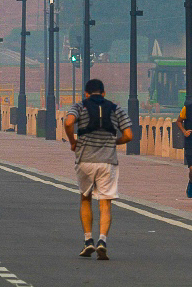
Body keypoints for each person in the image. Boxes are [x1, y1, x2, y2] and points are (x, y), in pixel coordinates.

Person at [63, 78, 133, 261]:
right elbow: (129, 135)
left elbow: (68, 123)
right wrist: (114, 142)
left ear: (86, 93)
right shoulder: (116, 108)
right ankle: (102, 240)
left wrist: (73, 142)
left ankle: (88, 241)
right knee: (105, 202)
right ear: (103, 93)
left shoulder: (79, 106)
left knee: (85, 198)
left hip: (85, 159)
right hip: (107, 161)